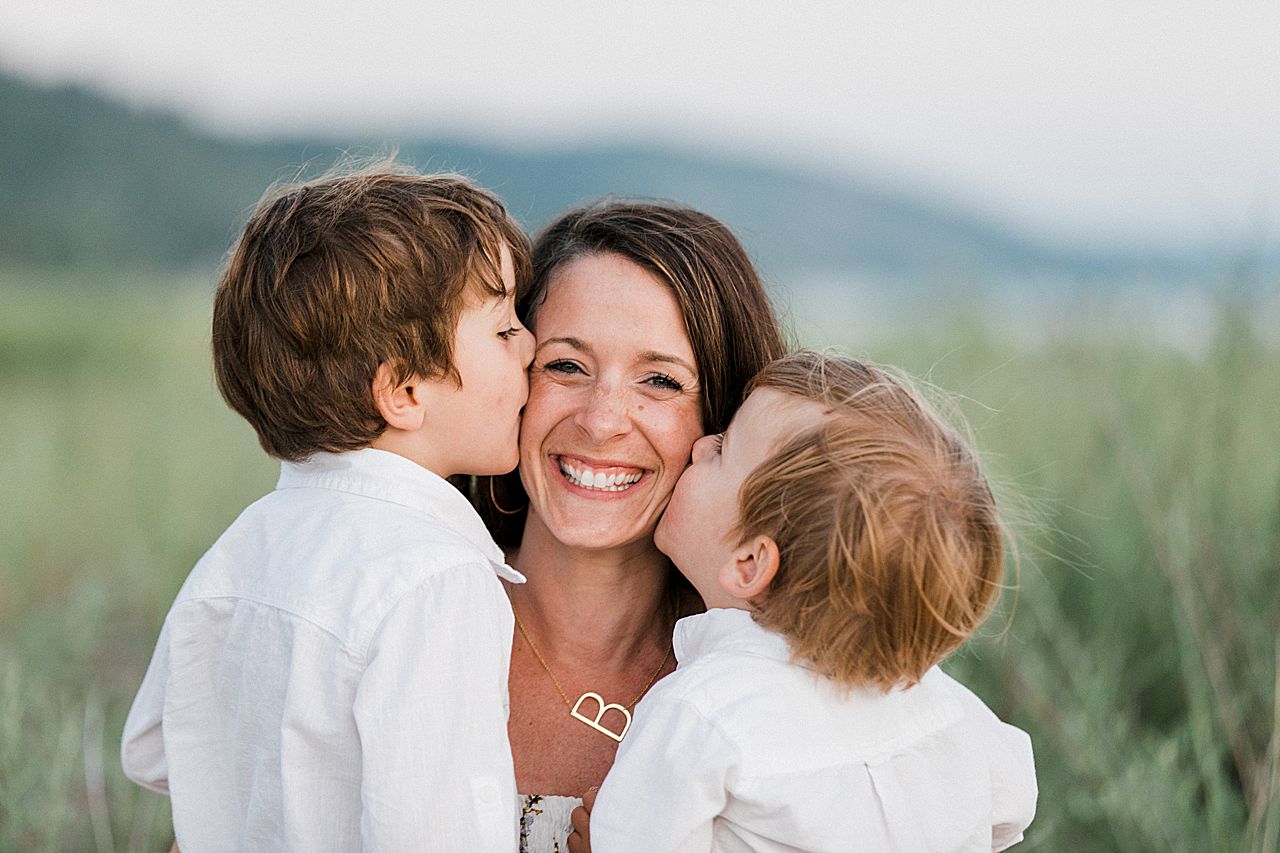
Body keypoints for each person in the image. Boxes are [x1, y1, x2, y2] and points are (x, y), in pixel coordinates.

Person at [120, 167, 535, 851]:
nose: (532, 346)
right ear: (403, 391)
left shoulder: (242, 545)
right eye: (504, 329)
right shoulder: (437, 579)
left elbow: (153, 750)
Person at [582, 351, 1038, 851]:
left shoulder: (700, 711)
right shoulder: (936, 700)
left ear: (750, 563)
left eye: (724, 449)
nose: (701, 444)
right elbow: (1011, 805)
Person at [465, 201, 789, 852]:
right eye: (565, 365)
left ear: (726, 421)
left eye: (660, 380)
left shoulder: (784, 685)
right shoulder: (395, 614)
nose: (602, 420)